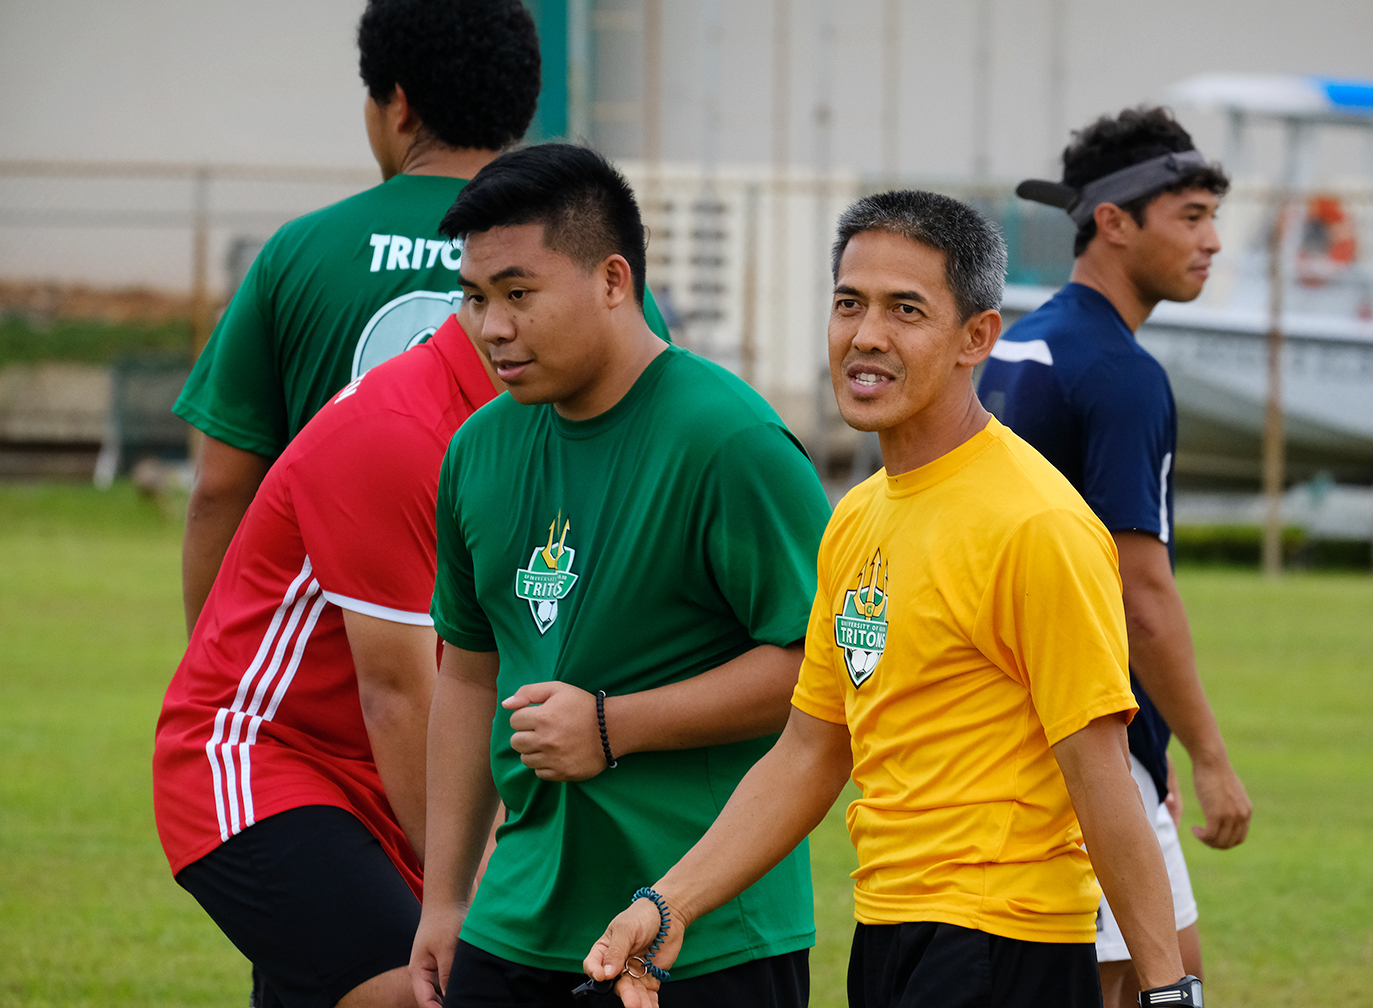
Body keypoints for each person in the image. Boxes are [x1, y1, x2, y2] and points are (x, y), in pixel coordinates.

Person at [584, 190, 1198, 1008]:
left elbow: (1099, 775)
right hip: (886, 934)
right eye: (849, 304)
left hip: (1003, 945)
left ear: (975, 338)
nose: (866, 335)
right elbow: (810, 751)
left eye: (905, 309)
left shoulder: (1036, 524)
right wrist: (668, 904)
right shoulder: (856, 519)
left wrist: (1165, 989)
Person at [408, 143, 832, 1008]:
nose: (491, 327)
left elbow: (824, 674)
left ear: (611, 280)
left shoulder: (731, 442)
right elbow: (469, 674)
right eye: (476, 297)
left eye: (519, 294)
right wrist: (446, 898)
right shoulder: (476, 450)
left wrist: (612, 725)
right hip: (514, 917)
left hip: (705, 932)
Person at [172, 0, 672, 636]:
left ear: (397, 105)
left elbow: (221, 489)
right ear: (520, 108)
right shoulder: (593, 274)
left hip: (328, 677)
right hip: (526, 661)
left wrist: (217, 669)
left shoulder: (299, 255)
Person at [977, 105, 1253, 1007]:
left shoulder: (1016, 343)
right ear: (1113, 221)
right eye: (1191, 215)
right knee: (1135, 983)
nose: (1212, 240)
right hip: (1071, 732)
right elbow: (1139, 590)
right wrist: (1208, 756)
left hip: (1008, 718)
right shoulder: (1122, 375)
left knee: (1163, 971)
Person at [154, 302, 506, 1008]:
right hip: (263, 760)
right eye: (486, 293)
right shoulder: (403, 431)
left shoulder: (537, 420)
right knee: (457, 985)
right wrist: (479, 898)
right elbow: (399, 694)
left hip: (395, 769)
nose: (502, 320)